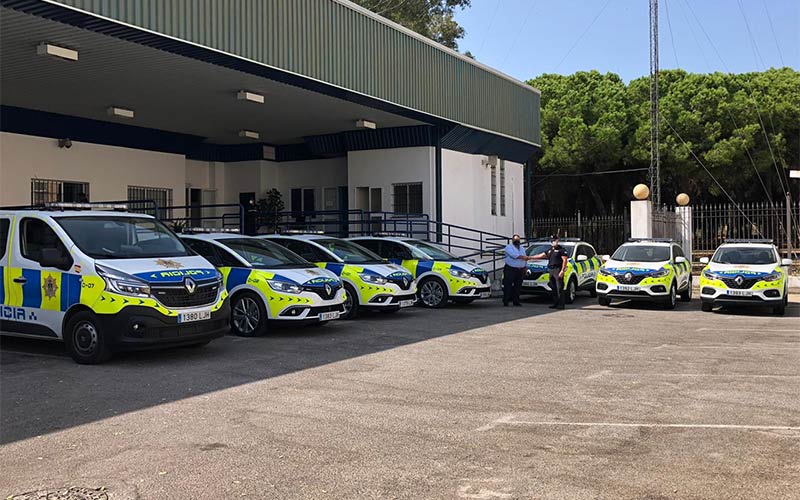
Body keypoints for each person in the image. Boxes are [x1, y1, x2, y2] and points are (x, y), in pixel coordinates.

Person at [529, 235, 569, 309]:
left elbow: (565, 260)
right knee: (553, 287)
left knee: (559, 287)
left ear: (557, 241)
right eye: (552, 240)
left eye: (555, 240)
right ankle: (555, 303)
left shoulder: (562, 250)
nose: (553, 242)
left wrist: (562, 271)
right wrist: (529, 257)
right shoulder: (550, 250)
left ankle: (561, 304)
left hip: (558, 269)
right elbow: (541, 255)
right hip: (551, 270)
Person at [502, 234, 529, 307]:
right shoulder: (508, 247)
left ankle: (516, 301)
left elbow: (525, 259)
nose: (517, 241)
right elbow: (515, 256)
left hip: (520, 270)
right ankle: (506, 301)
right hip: (510, 269)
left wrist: (525, 267)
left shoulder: (522, 248)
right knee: (508, 285)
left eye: (518, 239)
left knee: (518, 286)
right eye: (515, 239)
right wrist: (525, 257)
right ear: (512, 240)